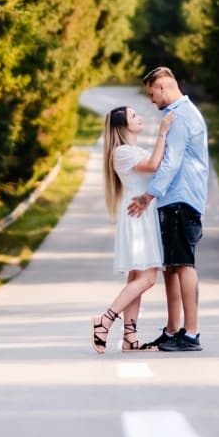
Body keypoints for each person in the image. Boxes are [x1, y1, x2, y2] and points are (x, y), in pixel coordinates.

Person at [127, 66, 209, 352]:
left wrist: (148, 196)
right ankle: (173, 329)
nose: (151, 100)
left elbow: (171, 162)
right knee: (171, 266)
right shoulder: (175, 115)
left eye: (151, 93)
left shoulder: (180, 116)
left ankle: (192, 332)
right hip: (174, 200)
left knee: (184, 264)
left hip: (181, 199)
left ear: (163, 87)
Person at [90, 104, 174, 354]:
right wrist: (163, 132)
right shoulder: (122, 152)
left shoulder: (132, 149)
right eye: (133, 116)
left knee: (136, 279)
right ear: (123, 126)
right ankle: (105, 320)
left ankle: (130, 338)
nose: (139, 118)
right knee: (147, 278)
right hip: (138, 217)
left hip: (142, 214)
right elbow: (152, 165)